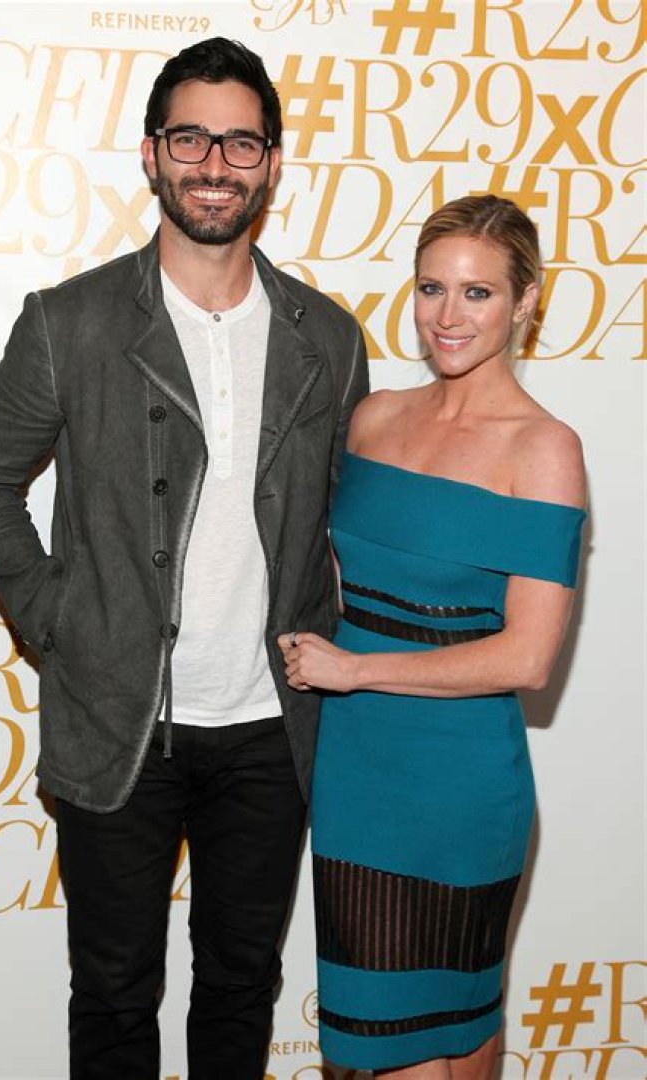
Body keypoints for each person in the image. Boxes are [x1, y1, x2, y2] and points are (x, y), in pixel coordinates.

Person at [0, 37, 368, 1080]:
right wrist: (57, 617)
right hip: (120, 723)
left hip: (273, 727)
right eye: (190, 138)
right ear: (151, 153)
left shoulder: (328, 338)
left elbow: (349, 517)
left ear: (272, 163)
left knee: (241, 988)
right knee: (114, 993)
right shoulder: (71, 322)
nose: (214, 164)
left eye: (240, 142)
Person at [279, 195, 587, 1079]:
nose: (448, 316)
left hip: (459, 783)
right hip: (356, 778)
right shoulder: (373, 418)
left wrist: (354, 669)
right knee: (430, 1038)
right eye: (431, 288)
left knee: (449, 1035)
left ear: (526, 302)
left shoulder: (544, 450)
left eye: (478, 293)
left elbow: (528, 657)